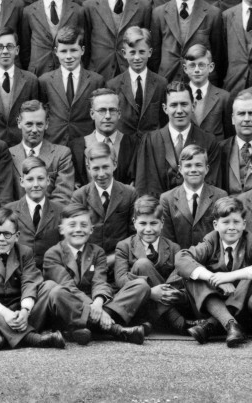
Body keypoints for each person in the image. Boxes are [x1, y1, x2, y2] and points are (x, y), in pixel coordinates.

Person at [42, 202, 149, 345]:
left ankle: (83, 328)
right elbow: (69, 287)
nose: (78, 230)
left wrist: (98, 303)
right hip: (70, 305)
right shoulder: (52, 254)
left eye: (84, 225)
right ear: (61, 230)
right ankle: (115, 330)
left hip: (96, 305)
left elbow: (99, 281)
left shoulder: (97, 252)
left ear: (91, 229)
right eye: (72, 225)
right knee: (56, 293)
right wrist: (93, 307)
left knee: (140, 285)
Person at [0, 206, 69, 349]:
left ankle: (6, 336)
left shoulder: (25, 252)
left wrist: (25, 311)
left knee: (50, 286)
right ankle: (34, 338)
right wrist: (6, 314)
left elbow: (30, 282)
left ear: (17, 235)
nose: (1, 239)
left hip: (21, 310)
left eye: (7, 234)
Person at [175, 195, 252, 346]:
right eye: (226, 222)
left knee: (247, 276)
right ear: (216, 225)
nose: (231, 227)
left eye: (236, 222)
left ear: (244, 224)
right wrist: (214, 278)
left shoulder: (249, 241)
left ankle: (213, 325)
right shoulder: (211, 240)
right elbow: (181, 258)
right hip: (212, 303)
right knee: (193, 274)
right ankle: (230, 325)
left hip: (243, 308)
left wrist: (228, 276)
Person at [114, 194, 192, 334]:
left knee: (181, 268)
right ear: (134, 222)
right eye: (143, 223)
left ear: (162, 223)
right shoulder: (124, 246)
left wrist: (161, 292)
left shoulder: (173, 247)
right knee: (142, 264)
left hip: (164, 306)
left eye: (153, 223)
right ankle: (176, 320)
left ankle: (169, 318)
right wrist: (151, 292)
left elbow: (179, 277)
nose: (148, 229)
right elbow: (120, 280)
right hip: (139, 306)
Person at [71, 142, 137, 257]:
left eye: (105, 167)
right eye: (96, 168)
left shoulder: (129, 194)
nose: (101, 174)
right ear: (88, 168)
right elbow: (75, 236)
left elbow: (135, 234)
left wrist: (116, 257)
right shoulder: (79, 196)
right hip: (90, 259)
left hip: (121, 258)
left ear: (115, 164)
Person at [158, 144, 227, 250]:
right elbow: (167, 240)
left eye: (198, 165)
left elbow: (222, 236)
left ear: (207, 169)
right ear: (180, 169)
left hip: (212, 261)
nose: (193, 169)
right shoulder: (167, 199)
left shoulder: (220, 196)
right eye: (188, 165)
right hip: (179, 261)